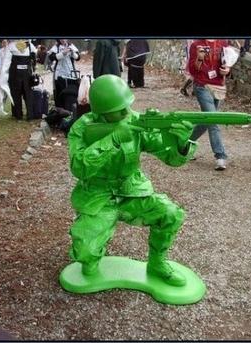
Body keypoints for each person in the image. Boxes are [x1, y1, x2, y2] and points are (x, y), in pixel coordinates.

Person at [66, 74, 197, 286]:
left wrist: (181, 144)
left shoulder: (136, 121)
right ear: (102, 112)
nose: (127, 112)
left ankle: (157, 264)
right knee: (84, 252)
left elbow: (170, 158)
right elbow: (79, 168)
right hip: (97, 197)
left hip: (132, 192)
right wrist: (113, 138)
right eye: (119, 110)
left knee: (170, 214)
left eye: (127, 106)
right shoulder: (82, 128)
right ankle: (91, 256)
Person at [188, 39, 231, 170]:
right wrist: (199, 58)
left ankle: (185, 145)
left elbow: (227, 64)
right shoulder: (196, 45)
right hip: (202, 86)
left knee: (206, 121)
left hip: (218, 87)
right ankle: (220, 156)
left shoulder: (223, 43)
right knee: (213, 120)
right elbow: (192, 70)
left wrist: (227, 70)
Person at [7, 39, 37, 120]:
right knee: (27, 94)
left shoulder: (11, 45)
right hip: (26, 73)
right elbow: (34, 59)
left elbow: (6, 61)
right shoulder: (30, 46)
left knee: (16, 94)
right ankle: (29, 115)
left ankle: (18, 115)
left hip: (16, 73)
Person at [47, 39, 81, 108]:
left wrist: (72, 53)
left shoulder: (71, 46)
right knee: (60, 92)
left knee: (71, 91)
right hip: (59, 74)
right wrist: (63, 53)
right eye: (61, 38)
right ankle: (60, 109)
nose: (63, 40)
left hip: (71, 74)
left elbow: (78, 58)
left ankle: (71, 108)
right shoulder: (56, 47)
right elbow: (51, 57)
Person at [0, 39, 13, 116]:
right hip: (2, 73)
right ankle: (0, 109)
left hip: (8, 72)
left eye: (5, 42)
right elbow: (0, 62)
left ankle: (3, 108)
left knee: (7, 91)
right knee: (0, 91)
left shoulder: (10, 51)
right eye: (3, 42)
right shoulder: (1, 51)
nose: (4, 44)